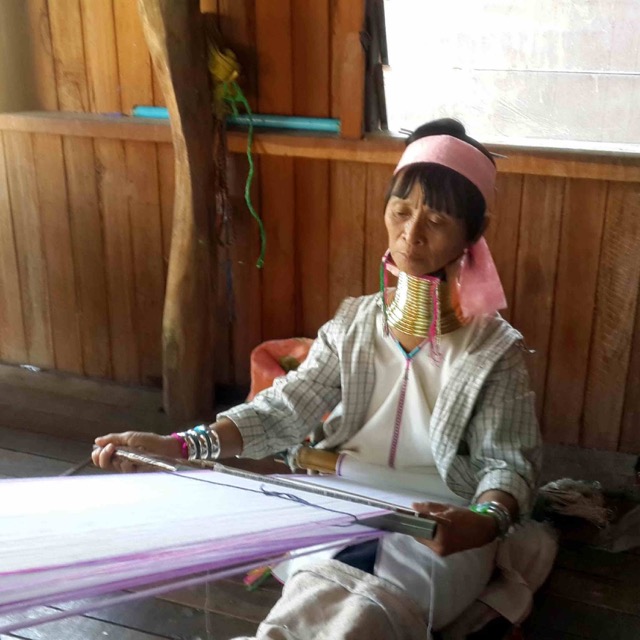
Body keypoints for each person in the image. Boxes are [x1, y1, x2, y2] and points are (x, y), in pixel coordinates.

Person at [93, 118, 543, 638]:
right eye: (401, 211)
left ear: (472, 234)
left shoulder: (494, 351)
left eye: (437, 219)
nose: (411, 232)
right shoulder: (354, 324)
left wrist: (485, 520)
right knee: (318, 588)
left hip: (442, 520)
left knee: (369, 607)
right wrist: (179, 446)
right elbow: (284, 409)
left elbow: (507, 464)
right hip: (338, 496)